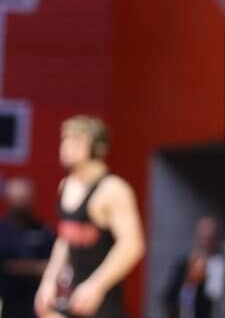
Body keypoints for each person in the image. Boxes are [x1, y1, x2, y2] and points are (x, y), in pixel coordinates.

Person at [34, 116, 145, 318]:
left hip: (100, 300)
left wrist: (96, 285)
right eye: (65, 140)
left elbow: (132, 245)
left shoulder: (113, 189)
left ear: (97, 148)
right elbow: (65, 238)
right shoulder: (66, 185)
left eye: (76, 141)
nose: (67, 147)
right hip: (71, 294)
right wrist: (49, 281)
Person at [0, 177, 55, 318]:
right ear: (8, 199)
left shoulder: (43, 231)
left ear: (31, 199)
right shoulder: (2, 230)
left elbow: (55, 264)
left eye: (23, 198)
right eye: (16, 199)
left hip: (36, 300)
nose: (20, 203)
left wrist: (26, 267)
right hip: (7, 300)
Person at [163, 216, 224, 318]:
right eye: (202, 237)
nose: (205, 242)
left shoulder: (221, 265)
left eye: (210, 238)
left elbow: (218, 299)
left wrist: (207, 276)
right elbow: (170, 297)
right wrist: (190, 280)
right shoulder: (184, 263)